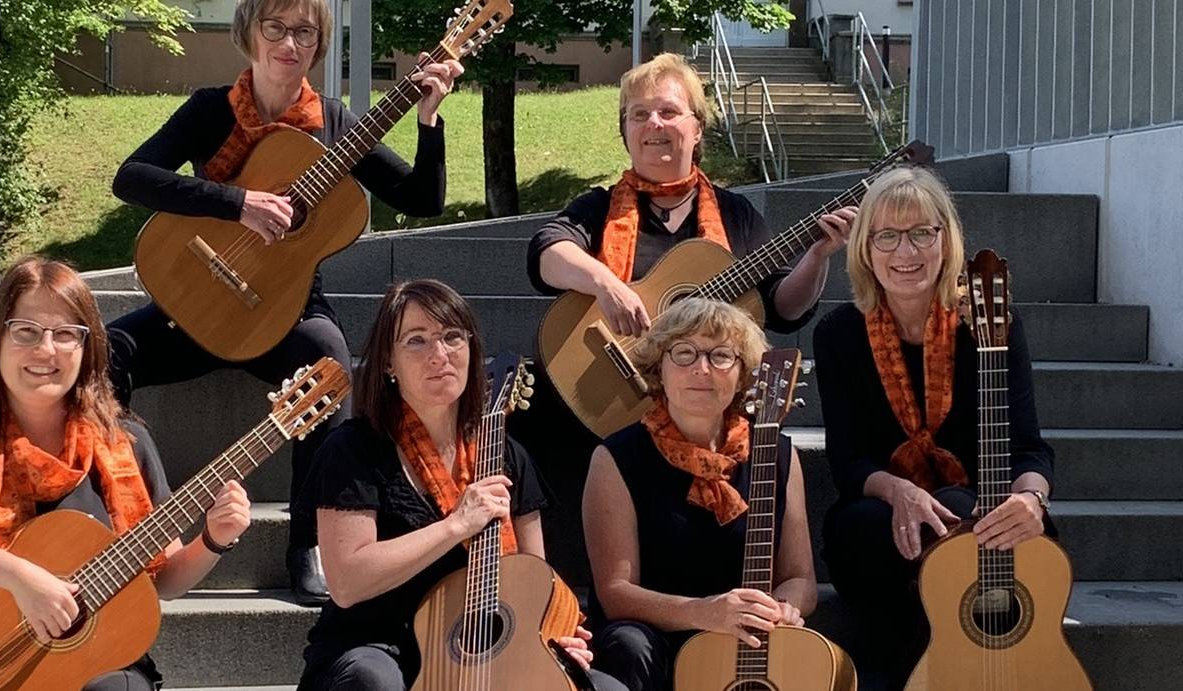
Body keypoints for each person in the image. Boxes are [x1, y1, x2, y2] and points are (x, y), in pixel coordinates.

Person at [105, 0, 463, 605]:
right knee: (106, 352)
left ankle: (313, 547)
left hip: (287, 312)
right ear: (250, 33)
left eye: (304, 32)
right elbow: (131, 177)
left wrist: (429, 120)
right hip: (200, 301)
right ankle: (116, 524)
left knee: (327, 365)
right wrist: (236, 202)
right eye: (275, 27)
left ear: (318, 45)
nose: (288, 43)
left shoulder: (334, 123)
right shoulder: (210, 110)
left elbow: (421, 199)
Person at [517, 52, 853, 583]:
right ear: (625, 132)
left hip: (700, 407)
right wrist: (605, 282)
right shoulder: (598, 208)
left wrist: (817, 255)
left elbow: (783, 310)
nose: (654, 124)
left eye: (669, 112)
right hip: (612, 397)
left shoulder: (736, 215)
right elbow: (546, 253)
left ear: (698, 129)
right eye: (639, 114)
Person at [0, 256, 251, 689]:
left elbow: (162, 580)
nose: (46, 351)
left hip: (96, 660)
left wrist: (215, 539)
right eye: (26, 331)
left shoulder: (127, 443)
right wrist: (24, 579)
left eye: (66, 334)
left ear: (86, 348)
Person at [298, 279, 626, 691]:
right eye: (417, 341)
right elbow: (347, 583)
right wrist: (456, 524)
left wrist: (555, 634)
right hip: (381, 645)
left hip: (484, 647)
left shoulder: (504, 452)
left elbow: (535, 580)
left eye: (452, 337)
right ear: (387, 363)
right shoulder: (353, 450)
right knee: (373, 681)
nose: (440, 355)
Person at [811, 167, 1055, 690]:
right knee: (870, 528)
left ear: (946, 240)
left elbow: (1029, 447)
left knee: (962, 514)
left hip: (976, 510)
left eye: (923, 232)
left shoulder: (991, 320)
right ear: (865, 247)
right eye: (888, 235)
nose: (906, 252)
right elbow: (848, 462)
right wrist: (898, 490)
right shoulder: (838, 334)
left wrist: (1032, 501)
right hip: (881, 522)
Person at [581, 298, 818, 691]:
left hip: (744, 637)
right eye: (684, 353)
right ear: (660, 367)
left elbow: (799, 578)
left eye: (721, 355)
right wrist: (705, 613)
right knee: (627, 643)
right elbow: (616, 594)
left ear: (743, 374)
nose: (702, 369)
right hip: (656, 637)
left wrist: (779, 609)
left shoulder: (775, 452)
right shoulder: (617, 458)